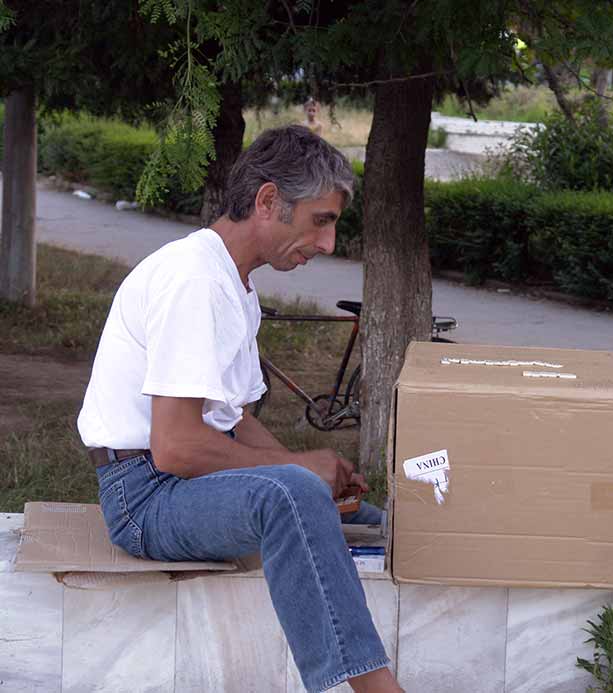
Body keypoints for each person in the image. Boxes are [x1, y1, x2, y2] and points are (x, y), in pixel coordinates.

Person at [77, 125, 402, 693]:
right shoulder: (193, 280)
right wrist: (299, 472)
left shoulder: (234, 285)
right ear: (268, 201)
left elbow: (234, 420)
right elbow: (175, 447)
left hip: (171, 483)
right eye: (321, 221)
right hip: (143, 498)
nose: (327, 244)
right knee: (295, 493)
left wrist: (302, 465)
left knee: (363, 517)